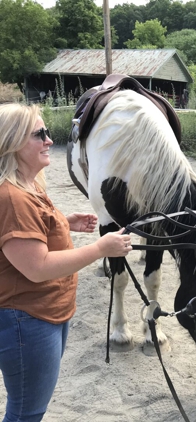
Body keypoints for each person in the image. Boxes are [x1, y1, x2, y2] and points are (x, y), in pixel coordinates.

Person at [0, 103, 133, 422]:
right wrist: (101, 247)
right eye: (40, 134)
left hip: (43, 315)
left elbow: (31, 228)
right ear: (13, 142)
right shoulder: (12, 197)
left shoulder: (28, 186)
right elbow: (38, 267)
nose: (49, 140)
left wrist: (62, 221)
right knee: (25, 414)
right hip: (28, 320)